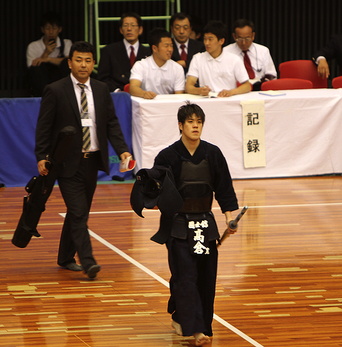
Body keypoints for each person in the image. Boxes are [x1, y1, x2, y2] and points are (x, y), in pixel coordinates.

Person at [34, 41, 132, 279]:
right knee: (78, 213)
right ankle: (88, 262)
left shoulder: (100, 89)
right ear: (69, 62)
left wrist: (123, 151)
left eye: (88, 60)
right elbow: (44, 127)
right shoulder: (55, 89)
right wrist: (42, 156)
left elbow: (111, 124)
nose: (83, 65)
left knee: (78, 212)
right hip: (66, 162)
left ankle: (65, 257)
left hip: (92, 161)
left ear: (93, 64)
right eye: (79, 60)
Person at [152, 102, 238, 346]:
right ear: (180, 126)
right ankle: (197, 330)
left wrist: (229, 217)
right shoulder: (167, 156)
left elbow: (224, 190)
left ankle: (188, 316)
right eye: (190, 121)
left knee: (205, 276)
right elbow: (156, 192)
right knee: (186, 275)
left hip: (205, 224)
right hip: (178, 225)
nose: (195, 125)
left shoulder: (213, 154)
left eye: (199, 121)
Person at [186, 21, 251, 97]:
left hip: (228, 100)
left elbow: (247, 86)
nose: (206, 43)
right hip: (206, 101)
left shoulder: (234, 59)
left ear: (221, 41)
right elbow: (188, 87)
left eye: (210, 39)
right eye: (205, 39)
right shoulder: (197, 58)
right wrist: (199, 91)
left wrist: (230, 92)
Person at [97, 12, 151, 92]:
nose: (129, 29)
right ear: (121, 30)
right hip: (117, 96)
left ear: (140, 30)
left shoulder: (149, 52)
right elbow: (102, 78)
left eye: (133, 25)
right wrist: (118, 92)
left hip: (144, 95)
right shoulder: (109, 51)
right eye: (125, 25)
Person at [26, 11, 72, 97]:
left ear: (60, 29)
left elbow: (71, 62)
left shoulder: (66, 43)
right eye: (48, 28)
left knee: (67, 63)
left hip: (61, 81)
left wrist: (48, 59)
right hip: (43, 84)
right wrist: (46, 53)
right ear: (42, 29)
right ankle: (47, 97)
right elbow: (32, 68)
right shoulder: (33, 46)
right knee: (36, 67)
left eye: (54, 28)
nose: (51, 32)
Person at [129, 28, 185, 99]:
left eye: (171, 45)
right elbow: (133, 88)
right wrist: (144, 94)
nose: (170, 49)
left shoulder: (177, 68)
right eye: (166, 46)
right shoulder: (140, 65)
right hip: (146, 104)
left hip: (168, 105)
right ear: (155, 48)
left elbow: (179, 96)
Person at [224, 19, 276, 91]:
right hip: (236, 90)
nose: (244, 43)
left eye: (247, 38)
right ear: (234, 36)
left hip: (260, 89)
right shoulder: (226, 52)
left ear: (253, 36)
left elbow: (272, 75)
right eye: (240, 39)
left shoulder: (263, 51)